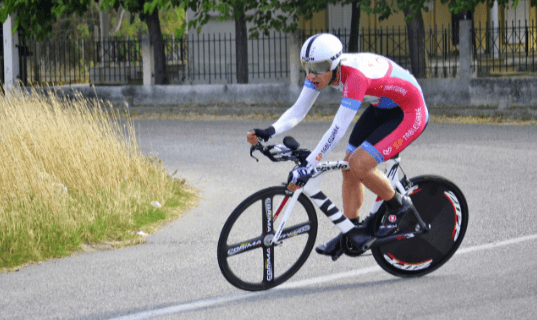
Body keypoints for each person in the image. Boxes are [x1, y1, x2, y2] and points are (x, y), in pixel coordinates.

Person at [246, 33, 429, 260]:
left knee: (359, 164)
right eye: (307, 66)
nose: (312, 74)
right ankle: (352, 232)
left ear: (334, 63)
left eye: (319, 67)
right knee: (348, 168)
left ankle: (400, 207)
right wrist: (270, 131)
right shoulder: (318, 73)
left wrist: (311, 163)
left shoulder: (355, 78)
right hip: (382, 106)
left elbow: (337, 128)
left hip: (410, 111)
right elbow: (299, 110)